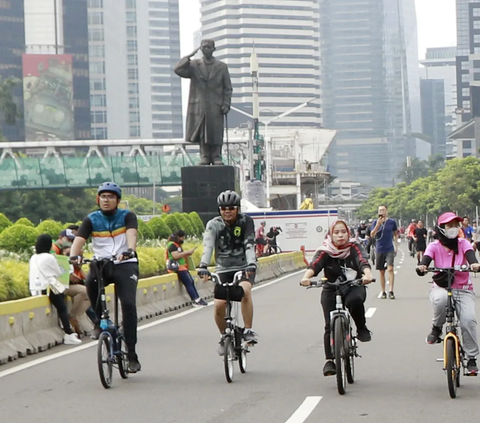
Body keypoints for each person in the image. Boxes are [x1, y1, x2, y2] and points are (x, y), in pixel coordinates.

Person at [69, 182, 141, 373]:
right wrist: (75, 256)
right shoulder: (91, 219)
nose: (106, 200)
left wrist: (130, 250)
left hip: (125, 264)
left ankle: (132, 353)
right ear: (98, 199)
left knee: (128, 305)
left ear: (117, 200)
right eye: (103, 196)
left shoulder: (127, 216)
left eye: (110, 197)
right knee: (90, 284)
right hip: (101, 264)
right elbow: (79, 240)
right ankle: (99, 322)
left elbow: (131, 235)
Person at [300, 220, 374, 377]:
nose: (340, 235)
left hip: (353, 285)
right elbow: (315, 265)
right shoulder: (325, 251)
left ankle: (361, 328)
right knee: (329, 323)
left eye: (343, 232)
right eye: (336, 232)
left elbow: (362, 260)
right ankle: (330, 360)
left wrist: (367, 274)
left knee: (354, 301)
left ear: (348, 233)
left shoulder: (354, 247)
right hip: (331, 287)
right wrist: (306, 277)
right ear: (330, 235)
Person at [416, 212, 480, 374]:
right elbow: (426, 260)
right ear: (441, 228)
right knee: (440, 299)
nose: (453, 228)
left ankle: (472, 358)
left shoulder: (463, 243)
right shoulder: (434, 246)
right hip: (441, 286)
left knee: (468, 320)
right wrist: (422, 267)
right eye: (449, 225)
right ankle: (437, 327)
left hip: (463, 289)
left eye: (455, 225)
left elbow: (471, 258)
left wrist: (474, 265)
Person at [197, 190, 258, 355]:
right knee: (218, 306)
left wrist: (251, 263)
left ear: (238, 208)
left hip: (244, 266)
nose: (227, 211)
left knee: (244, 291)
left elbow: (249, 244)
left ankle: (247, 330)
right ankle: (224, 335)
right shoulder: (213, 224)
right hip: (223, 269)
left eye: (231, 207)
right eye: (223, 208)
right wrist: (203, 266)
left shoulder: (246, 222)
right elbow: (208, 246)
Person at [174, 39, 232, 166]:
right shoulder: (194, 65)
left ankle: (216, 156)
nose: (205, 49)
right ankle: (205, 156)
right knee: (202, 132)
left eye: (208, 47)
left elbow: (227, 87)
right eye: (203, 47)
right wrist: (188, 56)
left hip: (216, 105)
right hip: (199, 105)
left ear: (213, 49)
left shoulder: (221, 67)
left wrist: (226, 104)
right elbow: (178, 70)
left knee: (216, 132)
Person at [29, 234, 82, 345]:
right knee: (62, 308)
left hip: (36, 288)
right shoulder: (50, 257)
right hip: (49, 288)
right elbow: (58, 272)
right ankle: (68, 333)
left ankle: (67, 331)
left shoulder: (33, 257)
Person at [166, 230, 208, 306]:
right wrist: (187, 252)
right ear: (178, 237)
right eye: (182, 238)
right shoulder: (172, 245)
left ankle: (197, 298)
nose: (183, 239)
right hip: (178, 267)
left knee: (191, 281)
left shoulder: (177, 245)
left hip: (182, 267)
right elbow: (175, 256)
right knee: (188, 282)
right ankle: (195, 299)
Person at [371, 205, 398, 299]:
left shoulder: (392, 222)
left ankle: (391, 290)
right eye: (380, 210)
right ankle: (383, 291)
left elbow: (395, 234)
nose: (381, 212)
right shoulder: (375, 222)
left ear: (386, 211)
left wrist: (396, 246)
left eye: (383, 210)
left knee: (390, 268)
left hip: (389, 248)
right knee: (381, 271)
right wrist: (378, 224)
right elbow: (372, 234)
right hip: (379, 249)